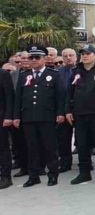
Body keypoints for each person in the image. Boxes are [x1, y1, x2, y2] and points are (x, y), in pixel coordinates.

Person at [13, 44, 65, 187]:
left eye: (37, 57)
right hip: (28, 117)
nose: (34, 60)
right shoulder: (24, 76)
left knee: (50, 147)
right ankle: (33, 176)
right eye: (31, 57)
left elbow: (60, 96)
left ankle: (53, 174)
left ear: (44, 59)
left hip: (47, 116)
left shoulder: (53, 75)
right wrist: (16, 116)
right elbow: (18, 98)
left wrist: (60, 113)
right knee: (32, 148)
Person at [66, 45, 95, 185]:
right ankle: (84, 173)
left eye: (88, 53)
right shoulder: (76, 71)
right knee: (82, 144)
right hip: (79, 113)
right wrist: (68, 110)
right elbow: (70, 92)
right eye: (83, 54)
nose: (85, 56)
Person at [57, 48, 77, 173]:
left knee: (83, 138)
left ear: (76, 57)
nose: (68, 58)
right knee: (63, 138)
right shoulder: (58, 72)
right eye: (65, 56)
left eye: (71, 55)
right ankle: (65, 162)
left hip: (80, 109)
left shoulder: (82, 70)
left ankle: (85, 162)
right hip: (64, 108)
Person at [0, 66, 14, 190]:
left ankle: (5, 177)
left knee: (2, 147)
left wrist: (8, 116)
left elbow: (9, 96)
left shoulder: (3, 73)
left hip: (1, 117)